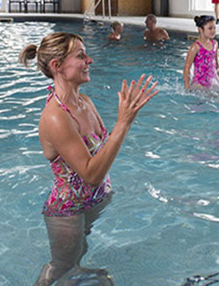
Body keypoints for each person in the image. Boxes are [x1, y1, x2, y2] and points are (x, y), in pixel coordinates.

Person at [19, 32, 158, 285]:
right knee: (60, 268)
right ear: (57, 66)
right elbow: (91, 174)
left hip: (92, 203)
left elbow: (102, 154)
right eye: (81, 56)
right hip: (68, 211)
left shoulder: (86, 102)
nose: (90, 60)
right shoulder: (55, 117)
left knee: (77, 262)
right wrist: (124, 122)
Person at [183, 15, 219, 90]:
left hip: (212, 81)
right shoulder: (196, 47)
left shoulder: (215, 44)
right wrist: (187, 86)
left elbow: (216, 64)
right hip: (199, 84)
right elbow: (187, 68)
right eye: (210, 28)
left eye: (214, 28)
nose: (213, 31)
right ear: (200, 29)